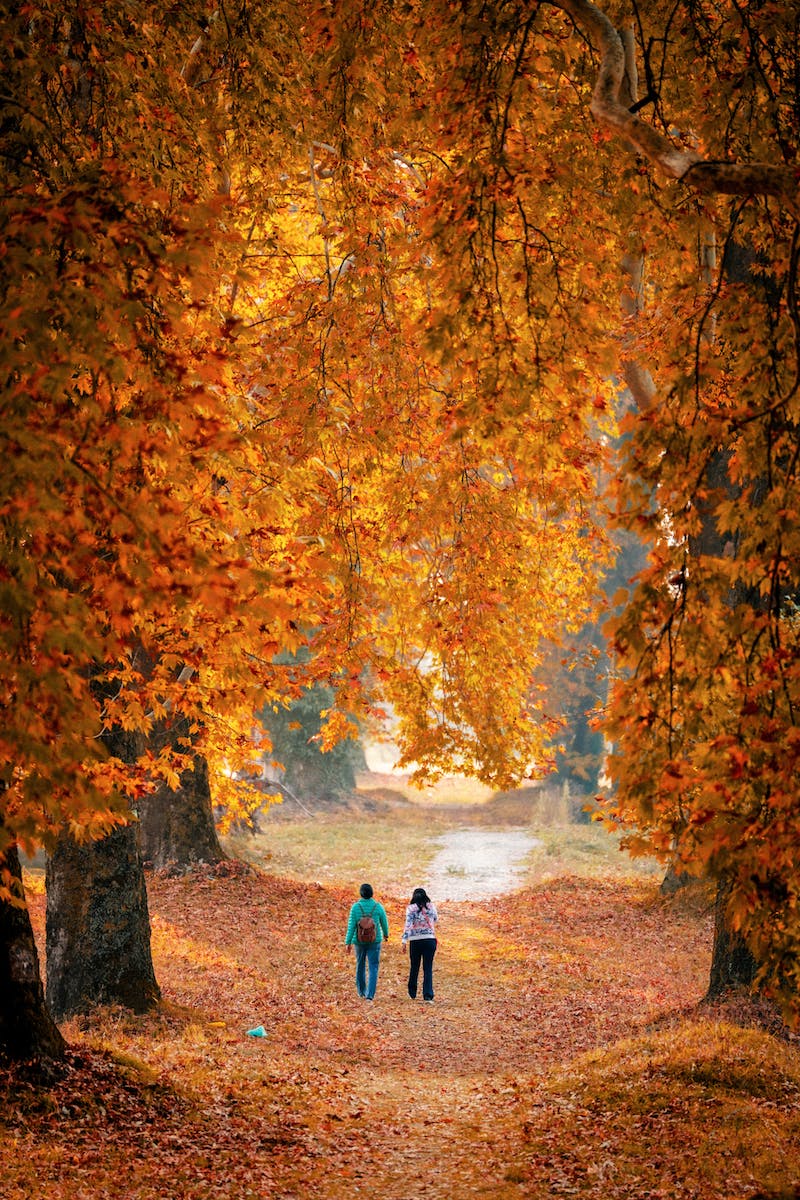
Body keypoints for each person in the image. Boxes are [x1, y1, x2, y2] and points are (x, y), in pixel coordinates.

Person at [345, 882, 389, 1001]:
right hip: (375, 940)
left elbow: (351, 926)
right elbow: (384, 922)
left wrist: (348, 942)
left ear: (361, 893)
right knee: (373, 966)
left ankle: (361, 991)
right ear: (372, 893)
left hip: (359, 941)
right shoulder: (378, 906)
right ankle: (370, 995)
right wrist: (386, 934)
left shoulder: (355, 907)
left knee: (360, 964)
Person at [401, 886, 438, 1003]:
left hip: (415, 940)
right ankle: (428, 995)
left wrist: (404, 940)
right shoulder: (431, 906)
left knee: (414, 966)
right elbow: (436, 919)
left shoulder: (410, 908)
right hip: (430, 940)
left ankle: (412, 992)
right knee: (428, 968)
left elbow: (408, 924)